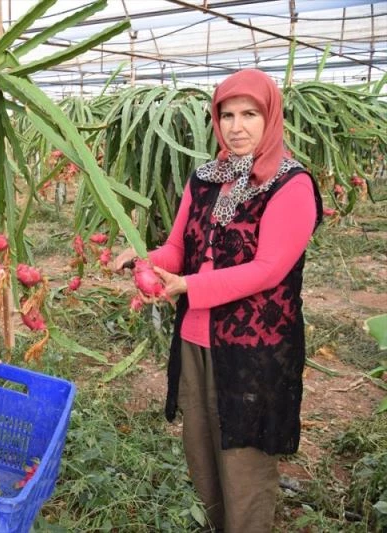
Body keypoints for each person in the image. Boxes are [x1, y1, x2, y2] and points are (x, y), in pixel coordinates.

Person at [114, 69, 322, 532]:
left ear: (270, 118)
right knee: (203, 453)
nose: (236, 126)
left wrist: (188, 287)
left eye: (250, 114)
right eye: (227, 115)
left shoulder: (291, 184)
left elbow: (269, 269)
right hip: (195, 337)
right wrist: (143, 259)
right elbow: (178, 249)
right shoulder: (205, 179)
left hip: (254, 348)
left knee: (244, 462)